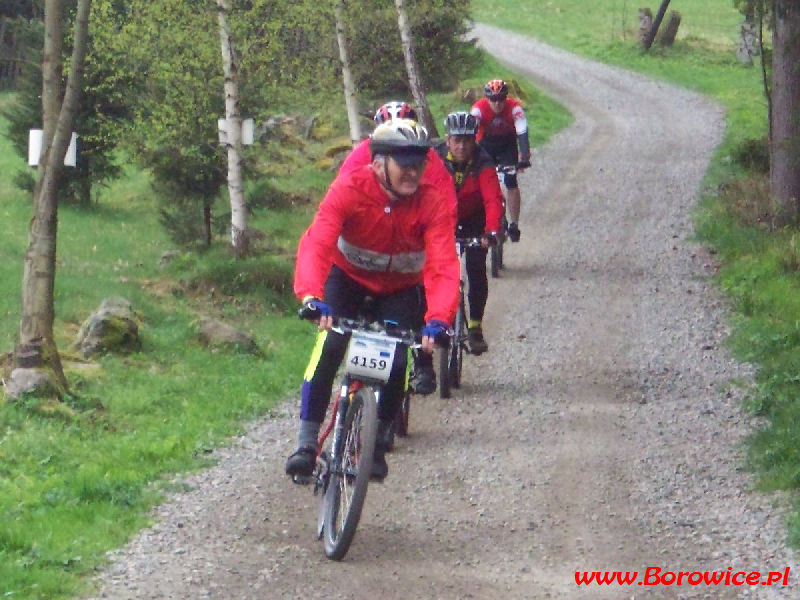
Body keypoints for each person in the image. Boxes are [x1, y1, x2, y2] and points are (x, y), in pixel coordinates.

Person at [287, 119, 460, 482]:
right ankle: (306, 443)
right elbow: (318, 241)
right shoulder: (350, 188)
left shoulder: (431, 202)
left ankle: (377, 440)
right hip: (347, 280)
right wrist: (311, 295)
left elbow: (443, 265)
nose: (413, 172)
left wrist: (439, 318)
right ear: (379, 163)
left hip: (399, 289)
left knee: (397, 360)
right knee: (330, 345)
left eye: (419, 164)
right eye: (404, 163)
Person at [337, 100, 458, 395]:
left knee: (424, 290)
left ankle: (423, 360)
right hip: (360, 264)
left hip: (413, 250)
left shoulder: (430, 164)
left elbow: (445, 204)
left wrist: (437, 233)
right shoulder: (359, 158)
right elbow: (340, 203)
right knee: (331, 343)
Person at [435, 111, 504, 354]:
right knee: (437, 270)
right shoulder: (435, 159)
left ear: (475, 140)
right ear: (447, 140)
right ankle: (434, 321)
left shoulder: (483, 161)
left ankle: (475, 327)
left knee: (476, 268)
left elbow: (492, 199)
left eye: (467, 140)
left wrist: (491, 231)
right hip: (443, 219)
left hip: (475, 219)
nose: (462, 146)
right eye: (457, 140)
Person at [470, 79, 531, 243]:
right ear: (487, 98)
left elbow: (522, 131)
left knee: (511, 181)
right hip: (486, 146)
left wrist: (524, 156)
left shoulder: (515, 108)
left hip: (507, 146)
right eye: (493, 99)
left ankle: (514, 224)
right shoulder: (478, 108)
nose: (497, 103)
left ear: (506, 98)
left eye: (501, 99)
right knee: (479, 183)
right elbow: (471, 130)